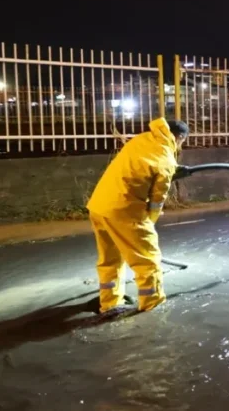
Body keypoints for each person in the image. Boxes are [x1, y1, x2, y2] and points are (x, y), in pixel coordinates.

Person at [86, 118, 189, 315]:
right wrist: (148, 223)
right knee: (148, 260)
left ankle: (109, 302)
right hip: (124, 211)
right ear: (179, 138)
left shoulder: (140, 140)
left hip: (99, 206)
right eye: (182, 142)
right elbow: (157, 201)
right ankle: (152, 302)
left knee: (110, 259)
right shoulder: (166, 159)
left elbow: (138, 170)